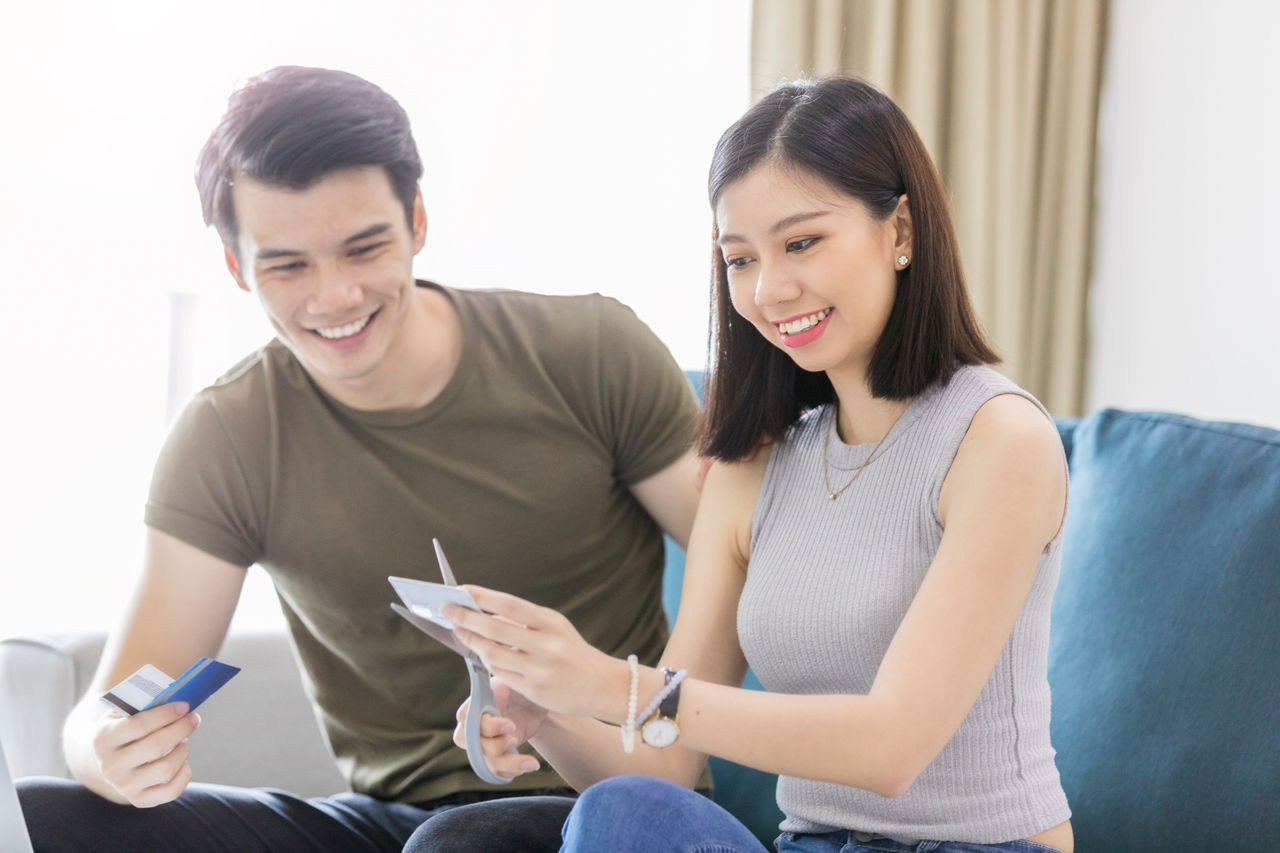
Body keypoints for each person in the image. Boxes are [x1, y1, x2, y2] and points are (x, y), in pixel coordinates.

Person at [16, 66, 702, 853]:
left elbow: (756, 565)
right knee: (41, 818)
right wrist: (104, 746)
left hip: (600, 806)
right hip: (381, 822)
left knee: (460, 843)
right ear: (238, 267)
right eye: (288, 265)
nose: (334, 296)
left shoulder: (589, 354)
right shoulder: (230, 436)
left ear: (415, 220)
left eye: (363, 247)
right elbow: (113, 698)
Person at [440, 75, 1076, 853]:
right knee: (540, 828)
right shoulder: (754, 466)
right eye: (740, 259)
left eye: (802, 242)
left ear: (900, 229)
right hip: (812, 842)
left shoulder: (1000, 440)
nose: (771, 288)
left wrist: (611, 682)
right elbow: (665, 761)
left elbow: (890, 747)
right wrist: (548, 713)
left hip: (981, 848)